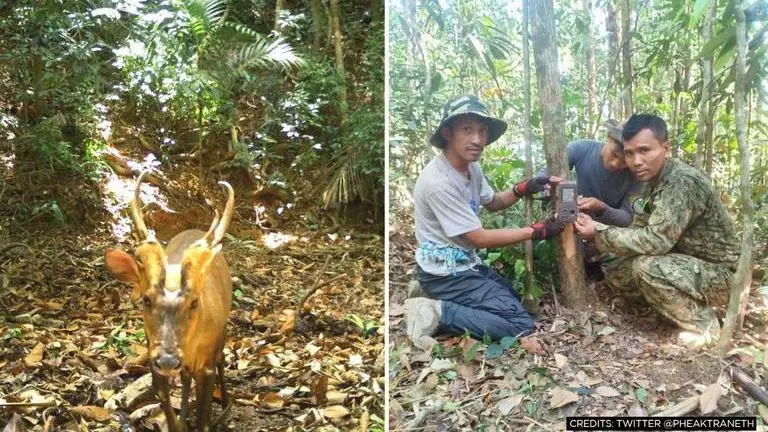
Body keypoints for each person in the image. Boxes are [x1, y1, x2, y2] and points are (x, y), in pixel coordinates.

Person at [405, 95, 564, 350]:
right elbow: (478, 238)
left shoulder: (470, 168)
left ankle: (430, 293)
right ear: (447, 132)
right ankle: (435, 310)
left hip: (463, 264)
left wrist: (524, 187)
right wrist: (536, 231)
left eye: (481, 131)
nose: (477, 140)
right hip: (446, 272)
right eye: (467, 130)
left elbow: (494, 202)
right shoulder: (438, 182)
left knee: (512, 301)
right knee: (518, 324)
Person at [574, 114, 739, 342]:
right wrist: (599, 235)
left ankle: (705, 327)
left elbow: (656, 241)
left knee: (646, 268)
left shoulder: (681, 181)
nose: (636, 161)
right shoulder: (652, 182)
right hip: (687, 262)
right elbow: (639, 228)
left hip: (722, 275)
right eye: (630, 153)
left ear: (666, 148)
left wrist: (599, 233)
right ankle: (666, 306)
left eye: (645, 151)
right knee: (617, 267)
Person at [536, 120, 642, 227]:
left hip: (606, 233)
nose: (615, 164)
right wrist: (550, 188)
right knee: (566, 188)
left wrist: (602, 208)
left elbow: (628, 218)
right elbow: (542, 176)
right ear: (609, 137)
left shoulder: (635, 175)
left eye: (624, 162)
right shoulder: (581, 148)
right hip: (573, 220)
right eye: (614, 155)